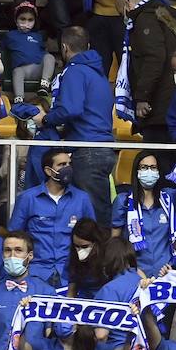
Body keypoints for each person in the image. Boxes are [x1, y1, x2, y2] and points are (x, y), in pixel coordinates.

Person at [33, 25, 115, 220]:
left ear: (64, 48)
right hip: (102, 147)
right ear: (87, 45)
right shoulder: (98, 73)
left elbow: (71, 109)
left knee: (93, 215)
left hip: (88, 148)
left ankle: (102, 250)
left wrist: (46, 119)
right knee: (97, 209)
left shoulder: (75, 71)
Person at [9, 149, 97, 289]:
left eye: (69, 164)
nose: (67, 168)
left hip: (72, 275)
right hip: (36, 273)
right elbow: (14, 235)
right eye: (61, 165)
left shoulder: (82, 198)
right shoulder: (28, 198)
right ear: (49, 171)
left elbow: (93, 236)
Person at [117, 0, 176, 143]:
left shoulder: (144, 19)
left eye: (120, 12)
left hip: (160, 109)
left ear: (127, 5)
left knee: (159, 160)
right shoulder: (167, 14)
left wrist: (142, 96)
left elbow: (154, 57)